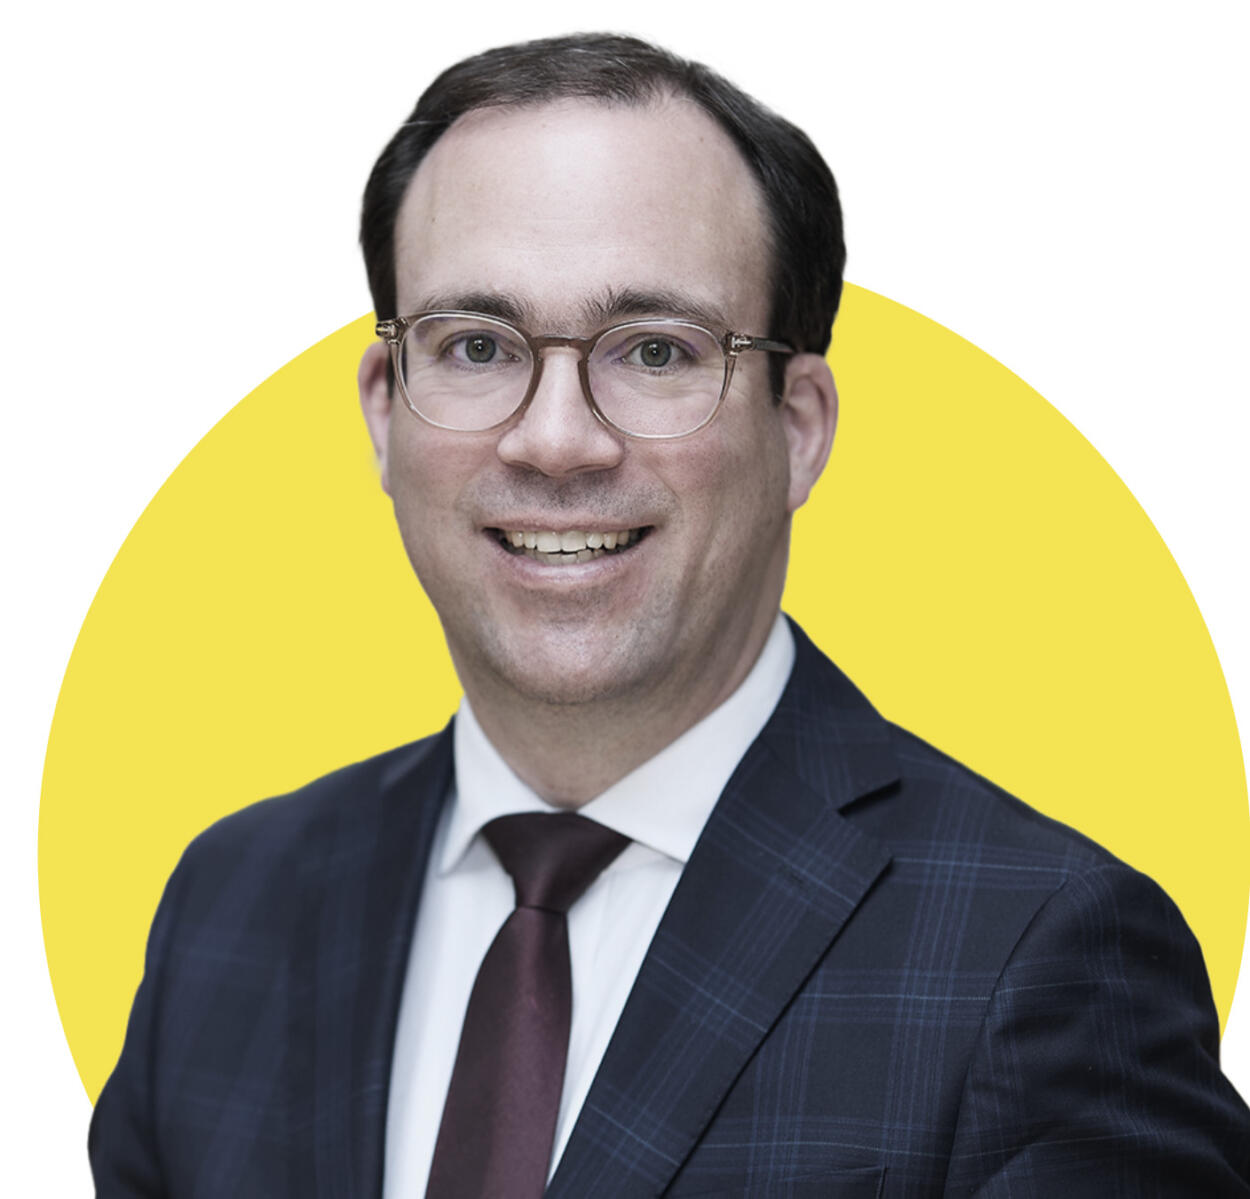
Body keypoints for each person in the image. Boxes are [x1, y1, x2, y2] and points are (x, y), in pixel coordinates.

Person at [89, 32, 1250, 1198]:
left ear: (796, 425)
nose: (553, 440)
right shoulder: (228, 909)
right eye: (476, 346)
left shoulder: (1042, 957)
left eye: (652, 351)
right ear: (385, 412)